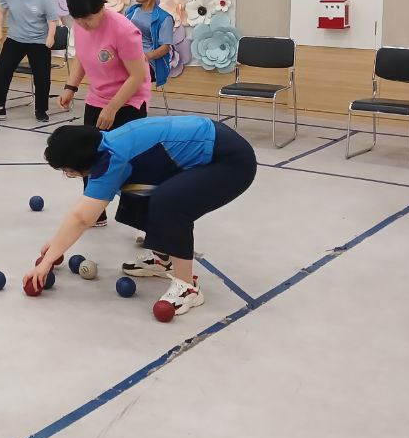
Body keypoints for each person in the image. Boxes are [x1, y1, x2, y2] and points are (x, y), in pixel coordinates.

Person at [26, 115, 258, 316]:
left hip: (231, 160)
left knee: (170, 203)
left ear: (79, 162)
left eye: (67, 170)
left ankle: (188, 287)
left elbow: (82, 217)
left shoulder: (113, 158)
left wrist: (47, 261)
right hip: (215, 145)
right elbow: (88, 208)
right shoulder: (104, 147)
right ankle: (162, 259)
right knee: (136, 193)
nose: (69, 174)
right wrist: (57, 245)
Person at [58, 0, 151, 225]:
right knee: (88, 157)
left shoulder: (124, 31)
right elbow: (82, 58)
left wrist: (112, 108)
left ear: (102, 7)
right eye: (78, 20)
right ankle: (95, 212)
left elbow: (138, 76)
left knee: (130, 162)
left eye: (88, 19)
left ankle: (141, 219)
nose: (83, 25)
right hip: (97, 97)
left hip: (129, 101)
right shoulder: (80, 24)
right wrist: (71, 86)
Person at [125, 0, 174, 90]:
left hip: (149, 64)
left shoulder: (164, 18)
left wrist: (144, 57)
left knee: (123, 76)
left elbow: (165, 47)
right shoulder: (131, 11)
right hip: (127, 58)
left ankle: (130, 106)